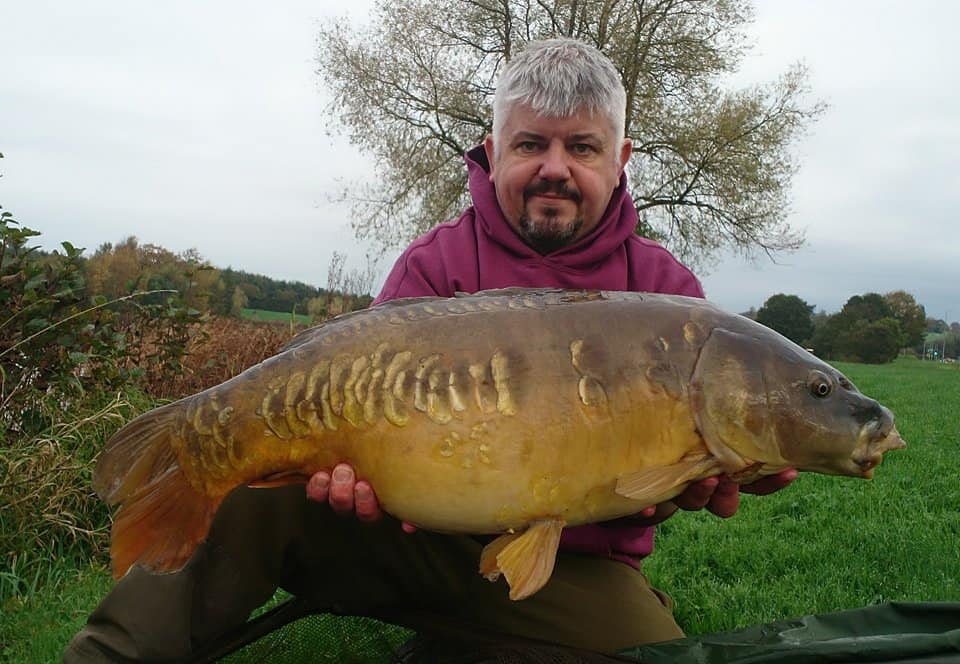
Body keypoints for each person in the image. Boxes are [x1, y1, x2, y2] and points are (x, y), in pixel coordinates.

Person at [65, 38, 794, 663]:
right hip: (403, 538)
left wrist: (697, 483)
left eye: (582, 147)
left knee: (645, 654)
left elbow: (655, 486)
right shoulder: (437, 265)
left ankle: (476, 639)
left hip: (571, 561)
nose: (555, 168)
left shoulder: (670, 298)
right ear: (493, 149)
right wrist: (347, 482)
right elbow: (359, 421)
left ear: (620, 158)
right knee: (248, 487)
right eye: (531, 144)